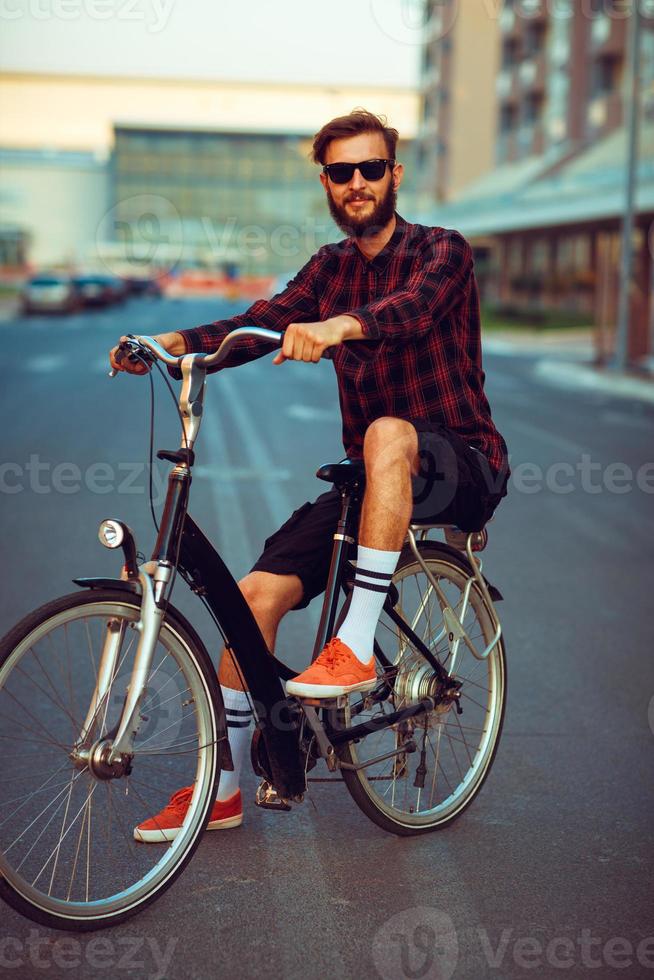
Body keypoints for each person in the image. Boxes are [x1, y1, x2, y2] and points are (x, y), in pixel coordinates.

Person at [110, 109, 509, 842]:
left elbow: (412, 312)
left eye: (369, 168)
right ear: (326, 182)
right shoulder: (329, 269)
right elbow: (260, 322)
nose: (355, 183)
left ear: (394, 173)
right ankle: (223, 788)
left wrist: (338, 327)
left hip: (461, 462)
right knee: (253, 596)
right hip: (372, 478)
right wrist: (171, 344)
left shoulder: (442, 251)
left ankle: (352, 647)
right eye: (339, 172)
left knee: (390, 432)